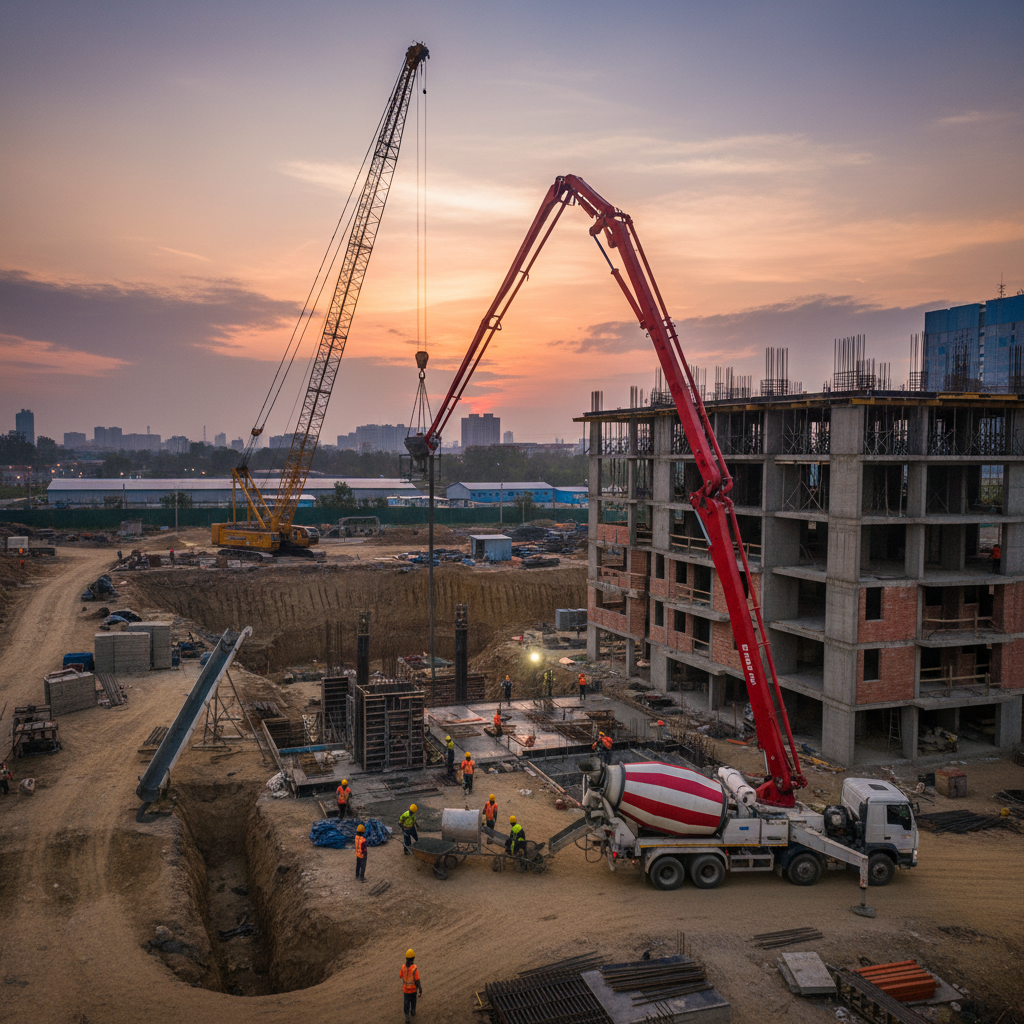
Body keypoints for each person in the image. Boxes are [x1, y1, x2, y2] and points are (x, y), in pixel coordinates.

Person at [400, 949, 423, 1022]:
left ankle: (407, 1016)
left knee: (406, 1003)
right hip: (413, 990)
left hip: (406, 990)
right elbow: (417, 980)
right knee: (413, 1001)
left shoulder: (403, 967)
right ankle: (413, 1011)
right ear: (413, 958)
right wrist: (420, 989)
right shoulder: (415, 968)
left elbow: (400, 976)